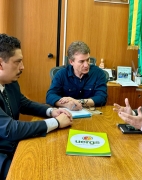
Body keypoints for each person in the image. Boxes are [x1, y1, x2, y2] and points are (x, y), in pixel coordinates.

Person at [0, 34, 73, 179]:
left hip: (14, 146)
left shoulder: (10, 82)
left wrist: (52, 111)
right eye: (18, 62)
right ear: (0, 64)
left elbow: (24, 103)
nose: (23, 67)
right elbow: (10, 129)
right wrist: (57, 123)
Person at [46, 41, 107, 111]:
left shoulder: (98, 73)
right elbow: (50, 96)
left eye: (88, 60)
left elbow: (102, 98)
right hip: (66, 114)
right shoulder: (61, 74)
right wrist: (66, 104)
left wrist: (77, 102)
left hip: (92, 114)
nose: (86, 65)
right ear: (71, 62)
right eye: (81, 61)